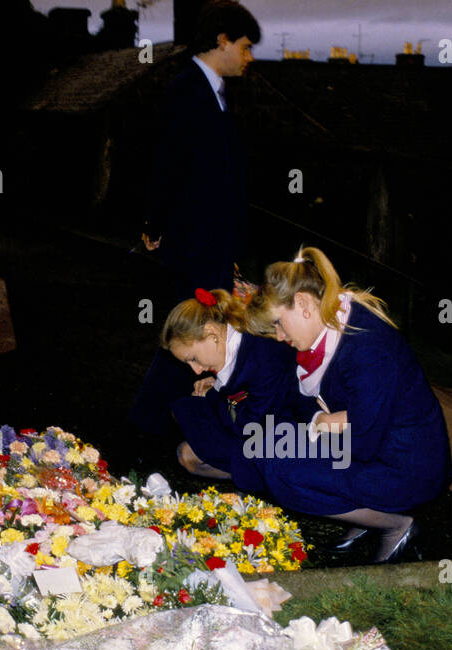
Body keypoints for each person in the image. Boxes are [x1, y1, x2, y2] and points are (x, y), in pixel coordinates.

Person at [238, 247, 452, 563]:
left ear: (303, 303)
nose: (280, 336)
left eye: (279, 324)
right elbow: (298, 400)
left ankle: (397, 524)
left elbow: (363, 443)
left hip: (406, 464)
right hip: (375, 444)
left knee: (283, 474)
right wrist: (332, 420)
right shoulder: (326, 327)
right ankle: (362, 517)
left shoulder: (367, 348)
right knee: (267, 446)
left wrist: (327, 423)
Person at [129, 1, 260, 446]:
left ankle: (171, 422)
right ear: (221, 41)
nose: (250, 56)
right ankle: (150, 426)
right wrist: (155, 224)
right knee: (190, 333)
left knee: (198, 333)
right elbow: (166, 164)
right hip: (194, 242)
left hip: (213, 241)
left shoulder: (216, 93)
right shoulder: (187, 90)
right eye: (244, 47)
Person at [162, 286, 298, 480]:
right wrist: (218, 385)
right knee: (184, 411)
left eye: (193, 358)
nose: (196, 370)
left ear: (210, 332)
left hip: (283, 438)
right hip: (257, 424)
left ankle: (270, 482)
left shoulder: (263, 356)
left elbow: (249, 427)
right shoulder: (237, 341)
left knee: (189, 447)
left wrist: (216, 392)